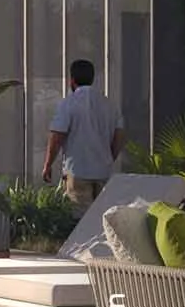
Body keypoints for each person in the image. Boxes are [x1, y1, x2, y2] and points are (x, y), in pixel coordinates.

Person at [42, 58, 124, 209]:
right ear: (92, 79)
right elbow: (118, 137)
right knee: (102, 215)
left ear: (72, 80)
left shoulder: (68, 103)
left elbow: (57, 136)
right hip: (103, 171)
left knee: (80, 218)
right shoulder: (110, 105)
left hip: (78, 171)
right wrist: (108, 158)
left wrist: (48, 165)